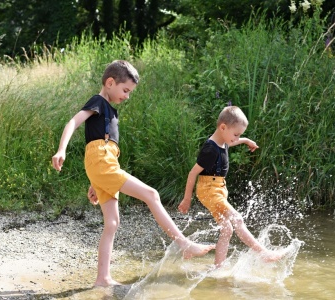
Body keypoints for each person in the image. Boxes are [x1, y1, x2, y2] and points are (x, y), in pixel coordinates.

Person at [51, 60, 215, 287]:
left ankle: (103, 278)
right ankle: (183, 244)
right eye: (125, 90)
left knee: (112, 222)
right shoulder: (98, 101)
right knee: (152, 194)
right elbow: (74, 122)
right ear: (110, 82)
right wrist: (62, 150)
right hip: (103, 164)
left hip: (104, 165)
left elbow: (97, 152)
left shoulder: (109, 110)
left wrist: (96, 182)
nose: (127, 96)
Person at [178, 106, 285, 268]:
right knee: (237, 218)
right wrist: (187, 199)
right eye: (236, 134)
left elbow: (231, 143)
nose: (237, 138)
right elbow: (193, 174)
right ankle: (264, 253)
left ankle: (218, 266)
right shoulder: (210, 149)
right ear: (223, 127)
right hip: (209, 190)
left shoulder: (223, 141)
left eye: (240, 135)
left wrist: (246, 141)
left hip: (219, 189)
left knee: (227, 228)